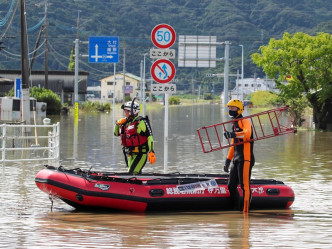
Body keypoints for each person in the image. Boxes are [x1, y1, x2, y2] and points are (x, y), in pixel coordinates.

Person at [223, 99, 255, 213]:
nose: (230, 110)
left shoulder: (245, 121)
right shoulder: (234, 123)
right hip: (236, 159)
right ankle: (236, 209)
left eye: (233, 108)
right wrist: (227, 160)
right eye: (229, 108)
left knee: (245, 186)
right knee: (231, 186)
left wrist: (234, 134)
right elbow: (233, 144)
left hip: (246, 158)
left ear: (239, 109)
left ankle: (245, 213)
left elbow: (247, 135)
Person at [114, 99, 156, 174]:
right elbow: (116, 133)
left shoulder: (141, 122)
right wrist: (117, 124)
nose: (124, 113)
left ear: (132, 111)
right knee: (133, 174)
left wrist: (151, 151)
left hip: (140, 154)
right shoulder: (126, 123)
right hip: (130, 154)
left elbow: (150, 137)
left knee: (132, 174)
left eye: (126, 111)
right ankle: (140, 185)